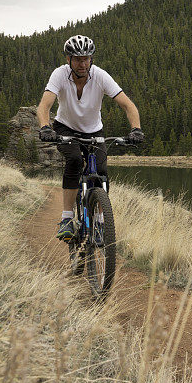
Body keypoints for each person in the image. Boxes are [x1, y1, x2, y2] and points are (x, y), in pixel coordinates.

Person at [36, 35, 144, 241]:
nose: (82, 63)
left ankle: (101, 222)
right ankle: (67, 217)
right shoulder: (59, 75)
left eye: (86, 58)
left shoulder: (100, 76)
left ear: (91, 58)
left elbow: (127, 105)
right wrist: (45, 127)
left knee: (101, 173)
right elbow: (45, 105)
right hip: (65, 128)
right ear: (68, 59)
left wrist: (136, 129)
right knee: (75, 160)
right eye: (77, 59)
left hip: (94, 131)